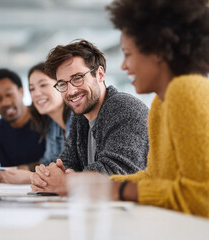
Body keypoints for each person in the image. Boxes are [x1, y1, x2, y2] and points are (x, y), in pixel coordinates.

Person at [100, 0, 209, 218]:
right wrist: (98, 185)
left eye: (128, 53)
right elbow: (157, 179)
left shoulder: (186, 89)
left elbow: (202, 197)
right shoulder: (161, 103)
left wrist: (119, 190)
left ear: (157, 50)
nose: (123, 66)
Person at [30, 40, 149, 195]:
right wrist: (46, 176)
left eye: (78, 78)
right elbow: (68, 162)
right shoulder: (79, 116)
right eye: (62, 84)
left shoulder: (124, 108)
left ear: (99, 74)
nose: (71, 91)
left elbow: (117, 174)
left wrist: (66, 181)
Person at [0, 62, 71, 184]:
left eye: (43, 85)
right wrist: (20, 172)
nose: (36, 93)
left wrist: (29, 177)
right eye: (32, 89)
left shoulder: (78, 119)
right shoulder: (53, 126)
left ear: (62, 85)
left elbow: (78, 171)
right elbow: (48, 163)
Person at [0, 68, 46, 181]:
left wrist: (23, 170)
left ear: (21, 92)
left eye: (9, 95)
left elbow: (57, 160)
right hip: (9, 193)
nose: (5, 103)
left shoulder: (44, 117)